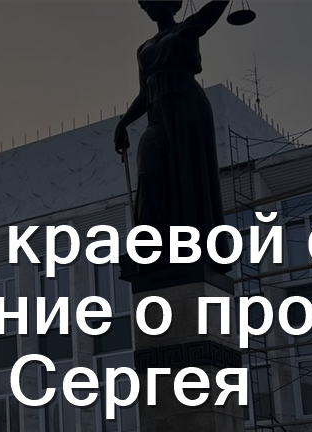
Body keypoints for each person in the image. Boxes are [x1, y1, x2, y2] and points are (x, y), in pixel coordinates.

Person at [115, 1, 231, 269]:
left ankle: (186, 245)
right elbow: (144, 94)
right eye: (146, 4)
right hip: (158, 116)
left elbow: (208, 15)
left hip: (187, 109)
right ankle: (149, 244)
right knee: (148, 171)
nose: (150, 7)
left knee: (187, 177)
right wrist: (123, 123)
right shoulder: (143, 48)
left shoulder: (186, 29)